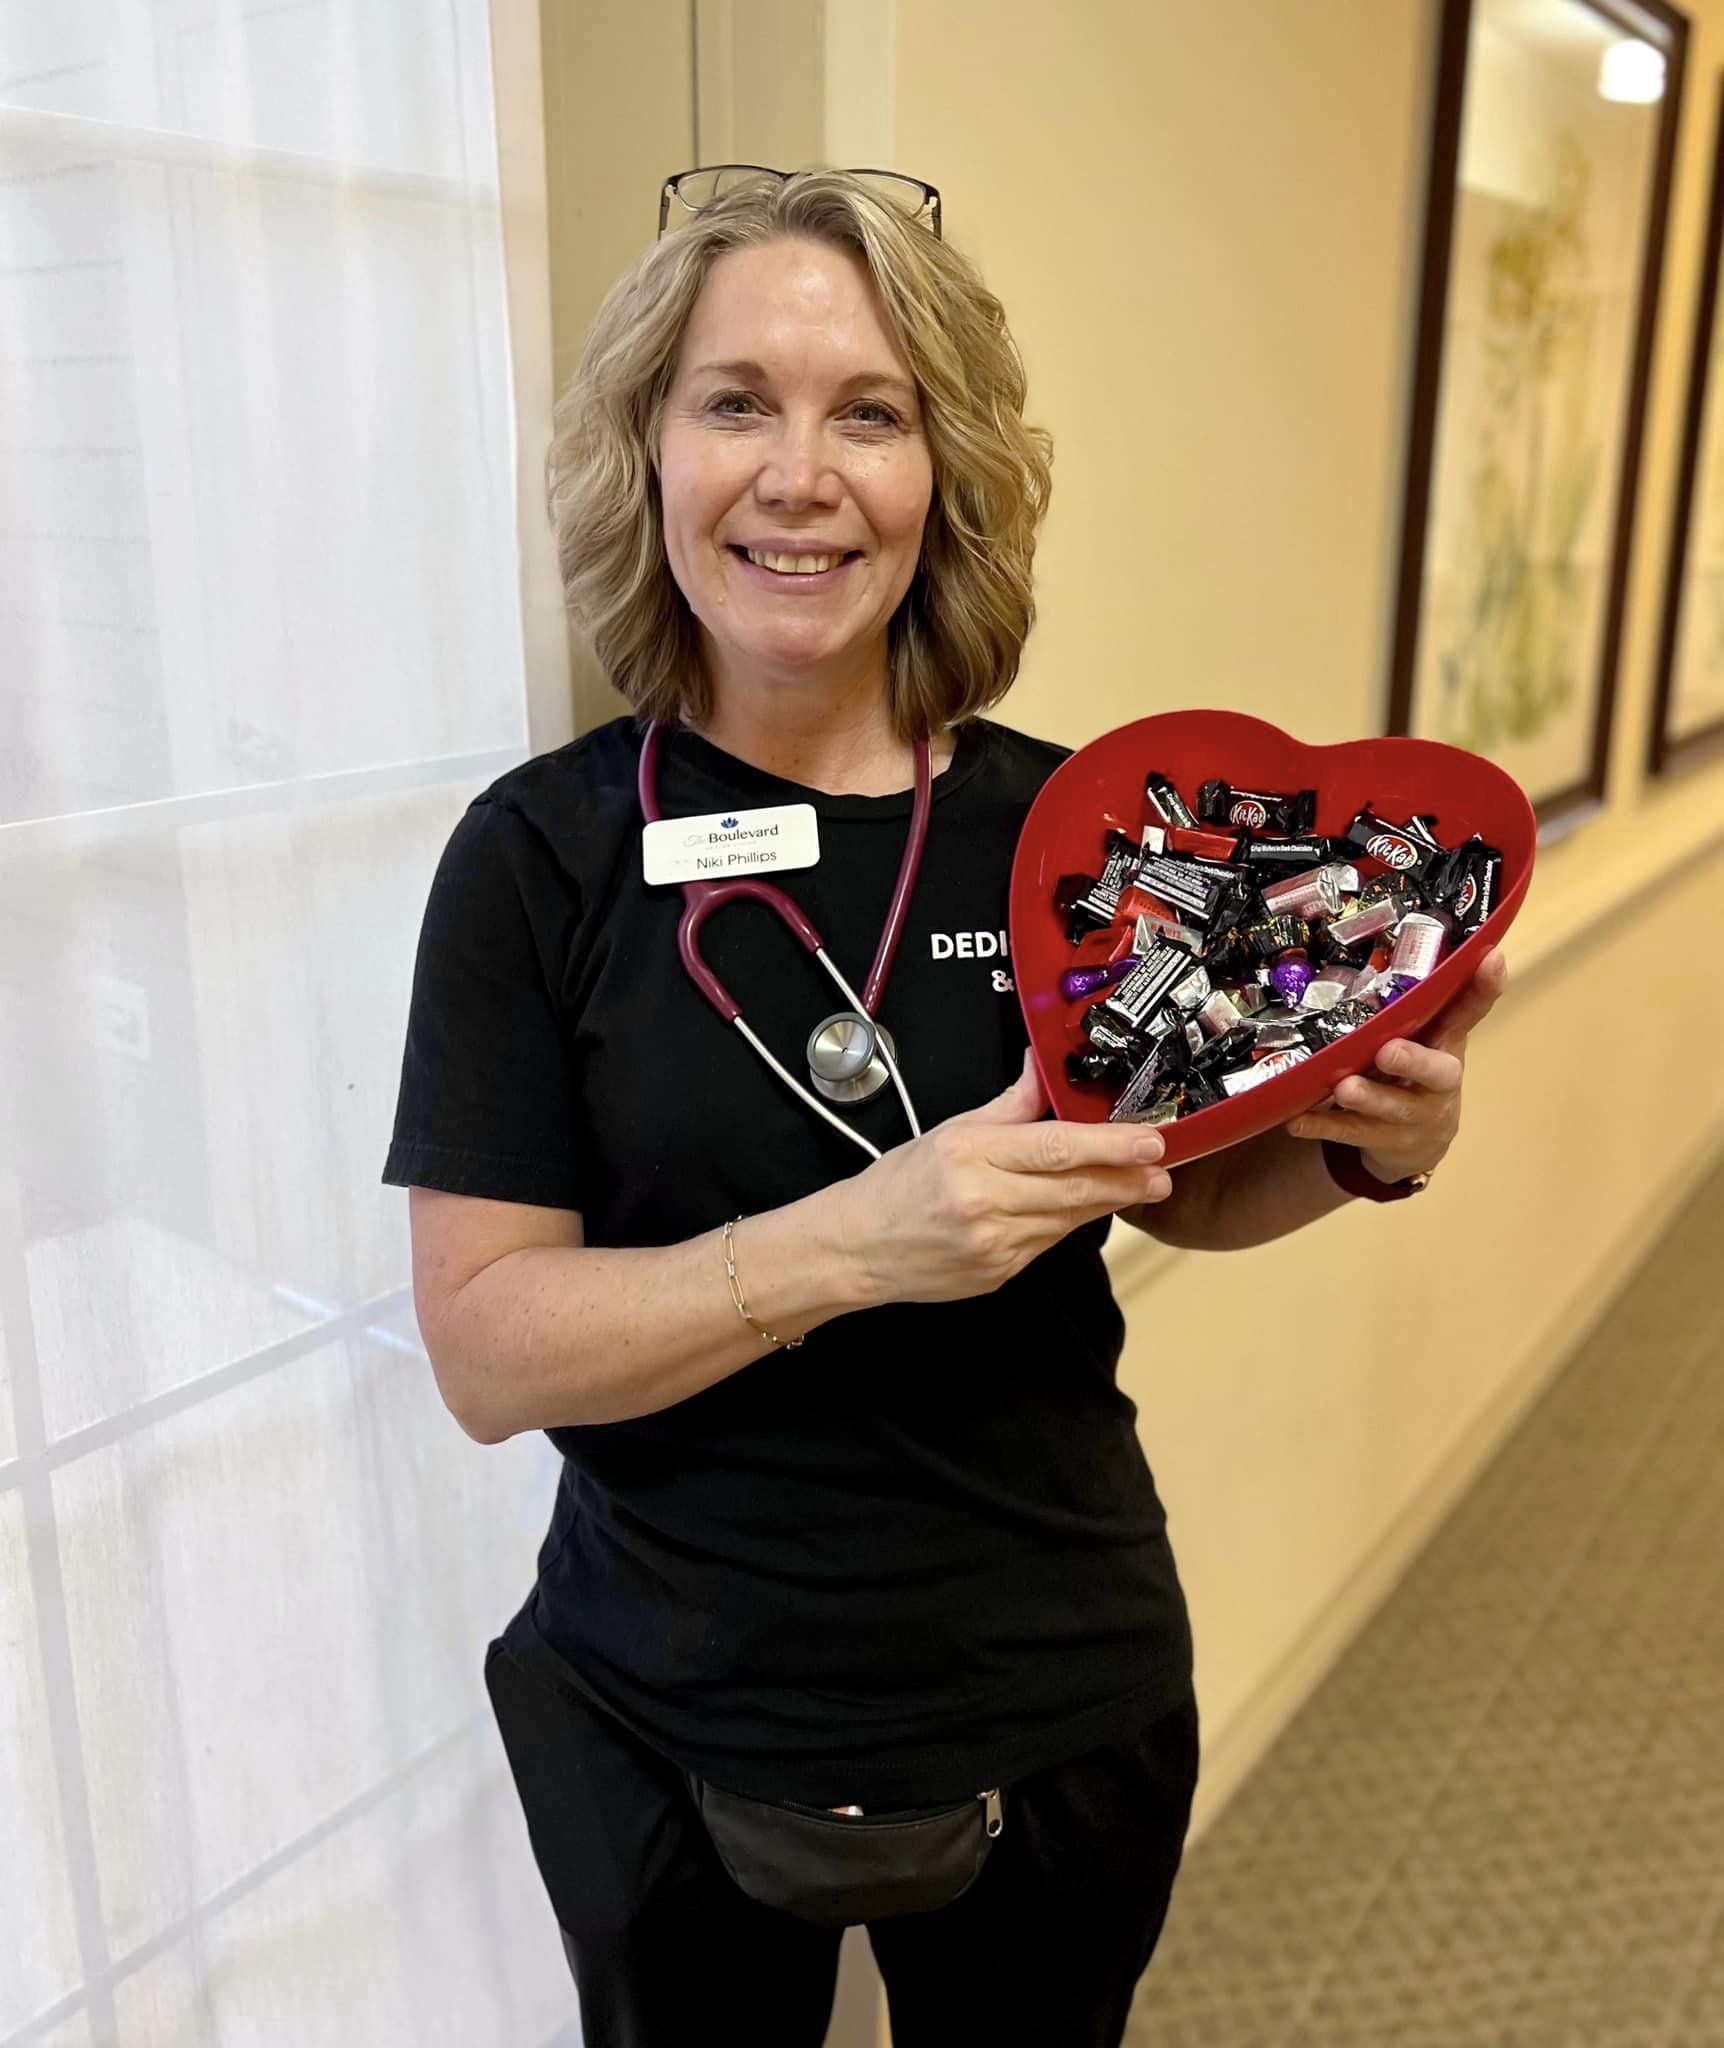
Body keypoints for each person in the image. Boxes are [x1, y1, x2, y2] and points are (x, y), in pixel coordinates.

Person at [381, 166, 1509, 2048]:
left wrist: (1363, 1148)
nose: (798, 474)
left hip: (1051, 1684)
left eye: (871, 412)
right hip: (669, 1701)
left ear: (946, 472)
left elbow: (1173, 1189)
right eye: (735, 400)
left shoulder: (1085, 835)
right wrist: (850, 1247)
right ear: (646, 455)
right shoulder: (536, 862)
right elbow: (491, 1354)